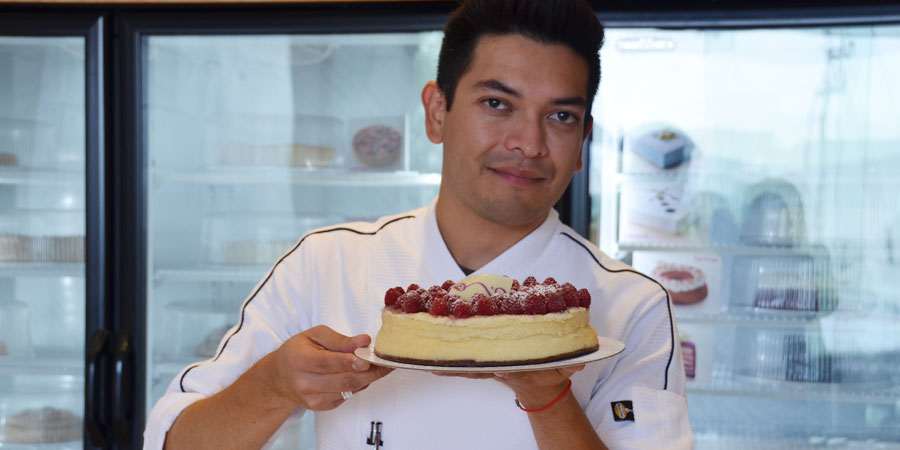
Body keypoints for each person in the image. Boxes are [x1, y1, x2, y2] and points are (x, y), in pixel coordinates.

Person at [145, 0, 693, 448]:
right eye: (497, 103)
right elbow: (173, 442)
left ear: (583, 144)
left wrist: (547, 396)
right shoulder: (326, 264)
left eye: (560, 116)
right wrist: (271, 384)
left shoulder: (632, 305)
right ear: (436, 112)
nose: (528, 142)